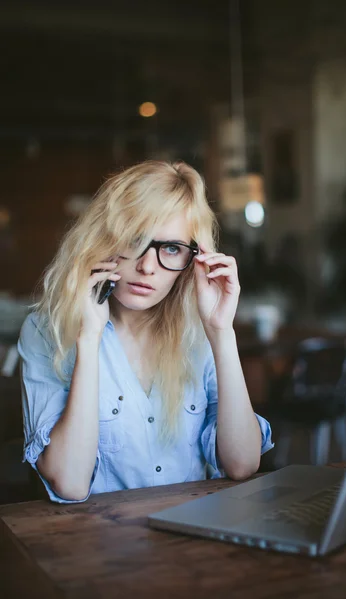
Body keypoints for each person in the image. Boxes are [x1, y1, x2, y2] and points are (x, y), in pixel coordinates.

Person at [18, 160, 273, 504]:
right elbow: (71, 484)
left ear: (192, 260)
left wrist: (221, 332)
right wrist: (89, 338)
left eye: (171, 248)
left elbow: (242, 464)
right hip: (96, 546)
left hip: (196, 539)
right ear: (103, 239)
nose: (147, 267)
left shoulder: (198, 332)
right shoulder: (46, 331)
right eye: (135, 239)